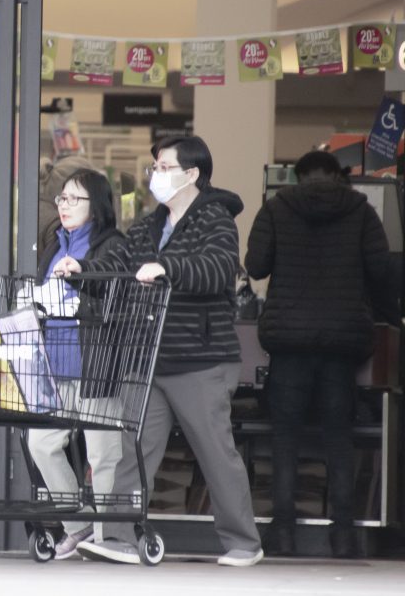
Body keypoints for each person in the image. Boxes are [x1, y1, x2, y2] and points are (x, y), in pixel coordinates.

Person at [57, 135, 263, 567]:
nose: (156, 175)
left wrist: (168, 267)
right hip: (149, 357)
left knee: (214, 451)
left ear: (191, 174)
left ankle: (243, 542)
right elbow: (120, 269)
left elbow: (218, 269)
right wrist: (84, 270)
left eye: (165, 168)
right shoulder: (150, 226)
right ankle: (117, 538)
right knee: (136, 447)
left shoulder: (216, 219)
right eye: (155, 168)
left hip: (200, 359)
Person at [244, 150, 397, 558]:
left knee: (285, 439)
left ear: (296, 177)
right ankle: (344, 534)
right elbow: (382, 270)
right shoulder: (362, 212)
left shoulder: (276, 209)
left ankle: (283, 532)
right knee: (338, 438)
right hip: (340, 342)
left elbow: (255, 266)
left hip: (289, 341)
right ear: (338, 176)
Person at [27, 169, 124, 560]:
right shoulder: (54, 244)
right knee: (42, 443)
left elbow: (117, 292)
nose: (64, 206)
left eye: (74, 199)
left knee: (102, 454)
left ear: (96, 205)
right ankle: (77, 523)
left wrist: (83, 275)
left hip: (95, 364)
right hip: (56, 364)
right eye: (62, 199)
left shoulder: (110, 244)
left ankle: (104, 539)